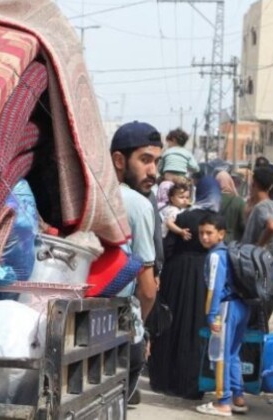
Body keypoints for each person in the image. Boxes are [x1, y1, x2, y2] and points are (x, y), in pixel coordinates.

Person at [149, 175, 221, 399]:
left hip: (176, 275)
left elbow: (166, 246)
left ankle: (164, 380)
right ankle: (192, 383)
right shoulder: (215, 222)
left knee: (171, 324)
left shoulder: (182, 216)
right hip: (203, 277)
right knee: (195, 326)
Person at [110, 121, 161, 406]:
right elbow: (148, 290)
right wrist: (141, 327)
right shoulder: (139, 205)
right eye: (145, 160)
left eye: (156, 161)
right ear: (119, 160)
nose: (153, 170)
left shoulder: (83, 193)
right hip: (122, 330)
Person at [195, 214, 250, 417]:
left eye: (209, 233)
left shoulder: (216, 256)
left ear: (221, 234)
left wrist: (211, 316)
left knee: (220, 356)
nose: (204, 237)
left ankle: (223, 401)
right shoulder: (230, 253)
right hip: (242, 306)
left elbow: (214, 289)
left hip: (225, 309)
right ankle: (239, 397)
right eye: (201, 233)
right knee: (234, 352)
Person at [242, 166, 273, 330]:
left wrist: (256, 249)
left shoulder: (262, 207)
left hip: (257, 270)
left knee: (254, 322)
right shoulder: (271, 204)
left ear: (254, 183)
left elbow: (271, 227)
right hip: (268, 268)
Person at [216, 171, 246, 243]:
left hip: (217, 240)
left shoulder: (213, 200)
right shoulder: (239, 201)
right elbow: (243, 225)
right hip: (235, 241)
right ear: (230, 182)